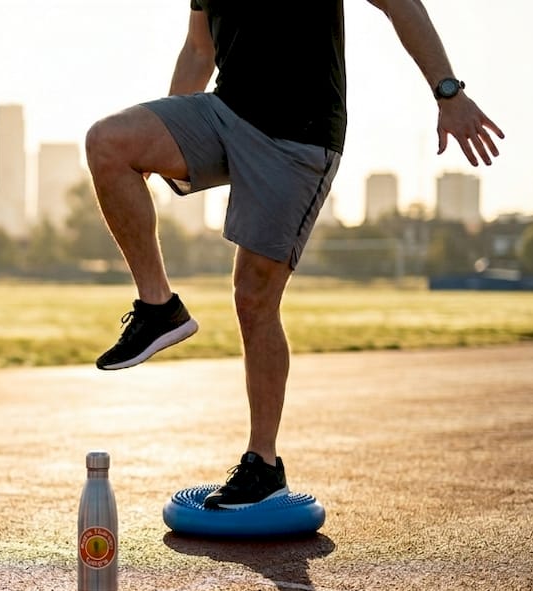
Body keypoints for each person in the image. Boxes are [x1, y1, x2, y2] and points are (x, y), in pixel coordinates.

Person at [85, 0, 503, 509]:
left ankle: (264, 463)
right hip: (226, 112)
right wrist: (169, 138)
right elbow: (200, 47)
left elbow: (399, 2)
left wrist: (448, 91)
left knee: (253, 298)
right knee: (107, 142)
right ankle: (159, 308)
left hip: (298, 134)